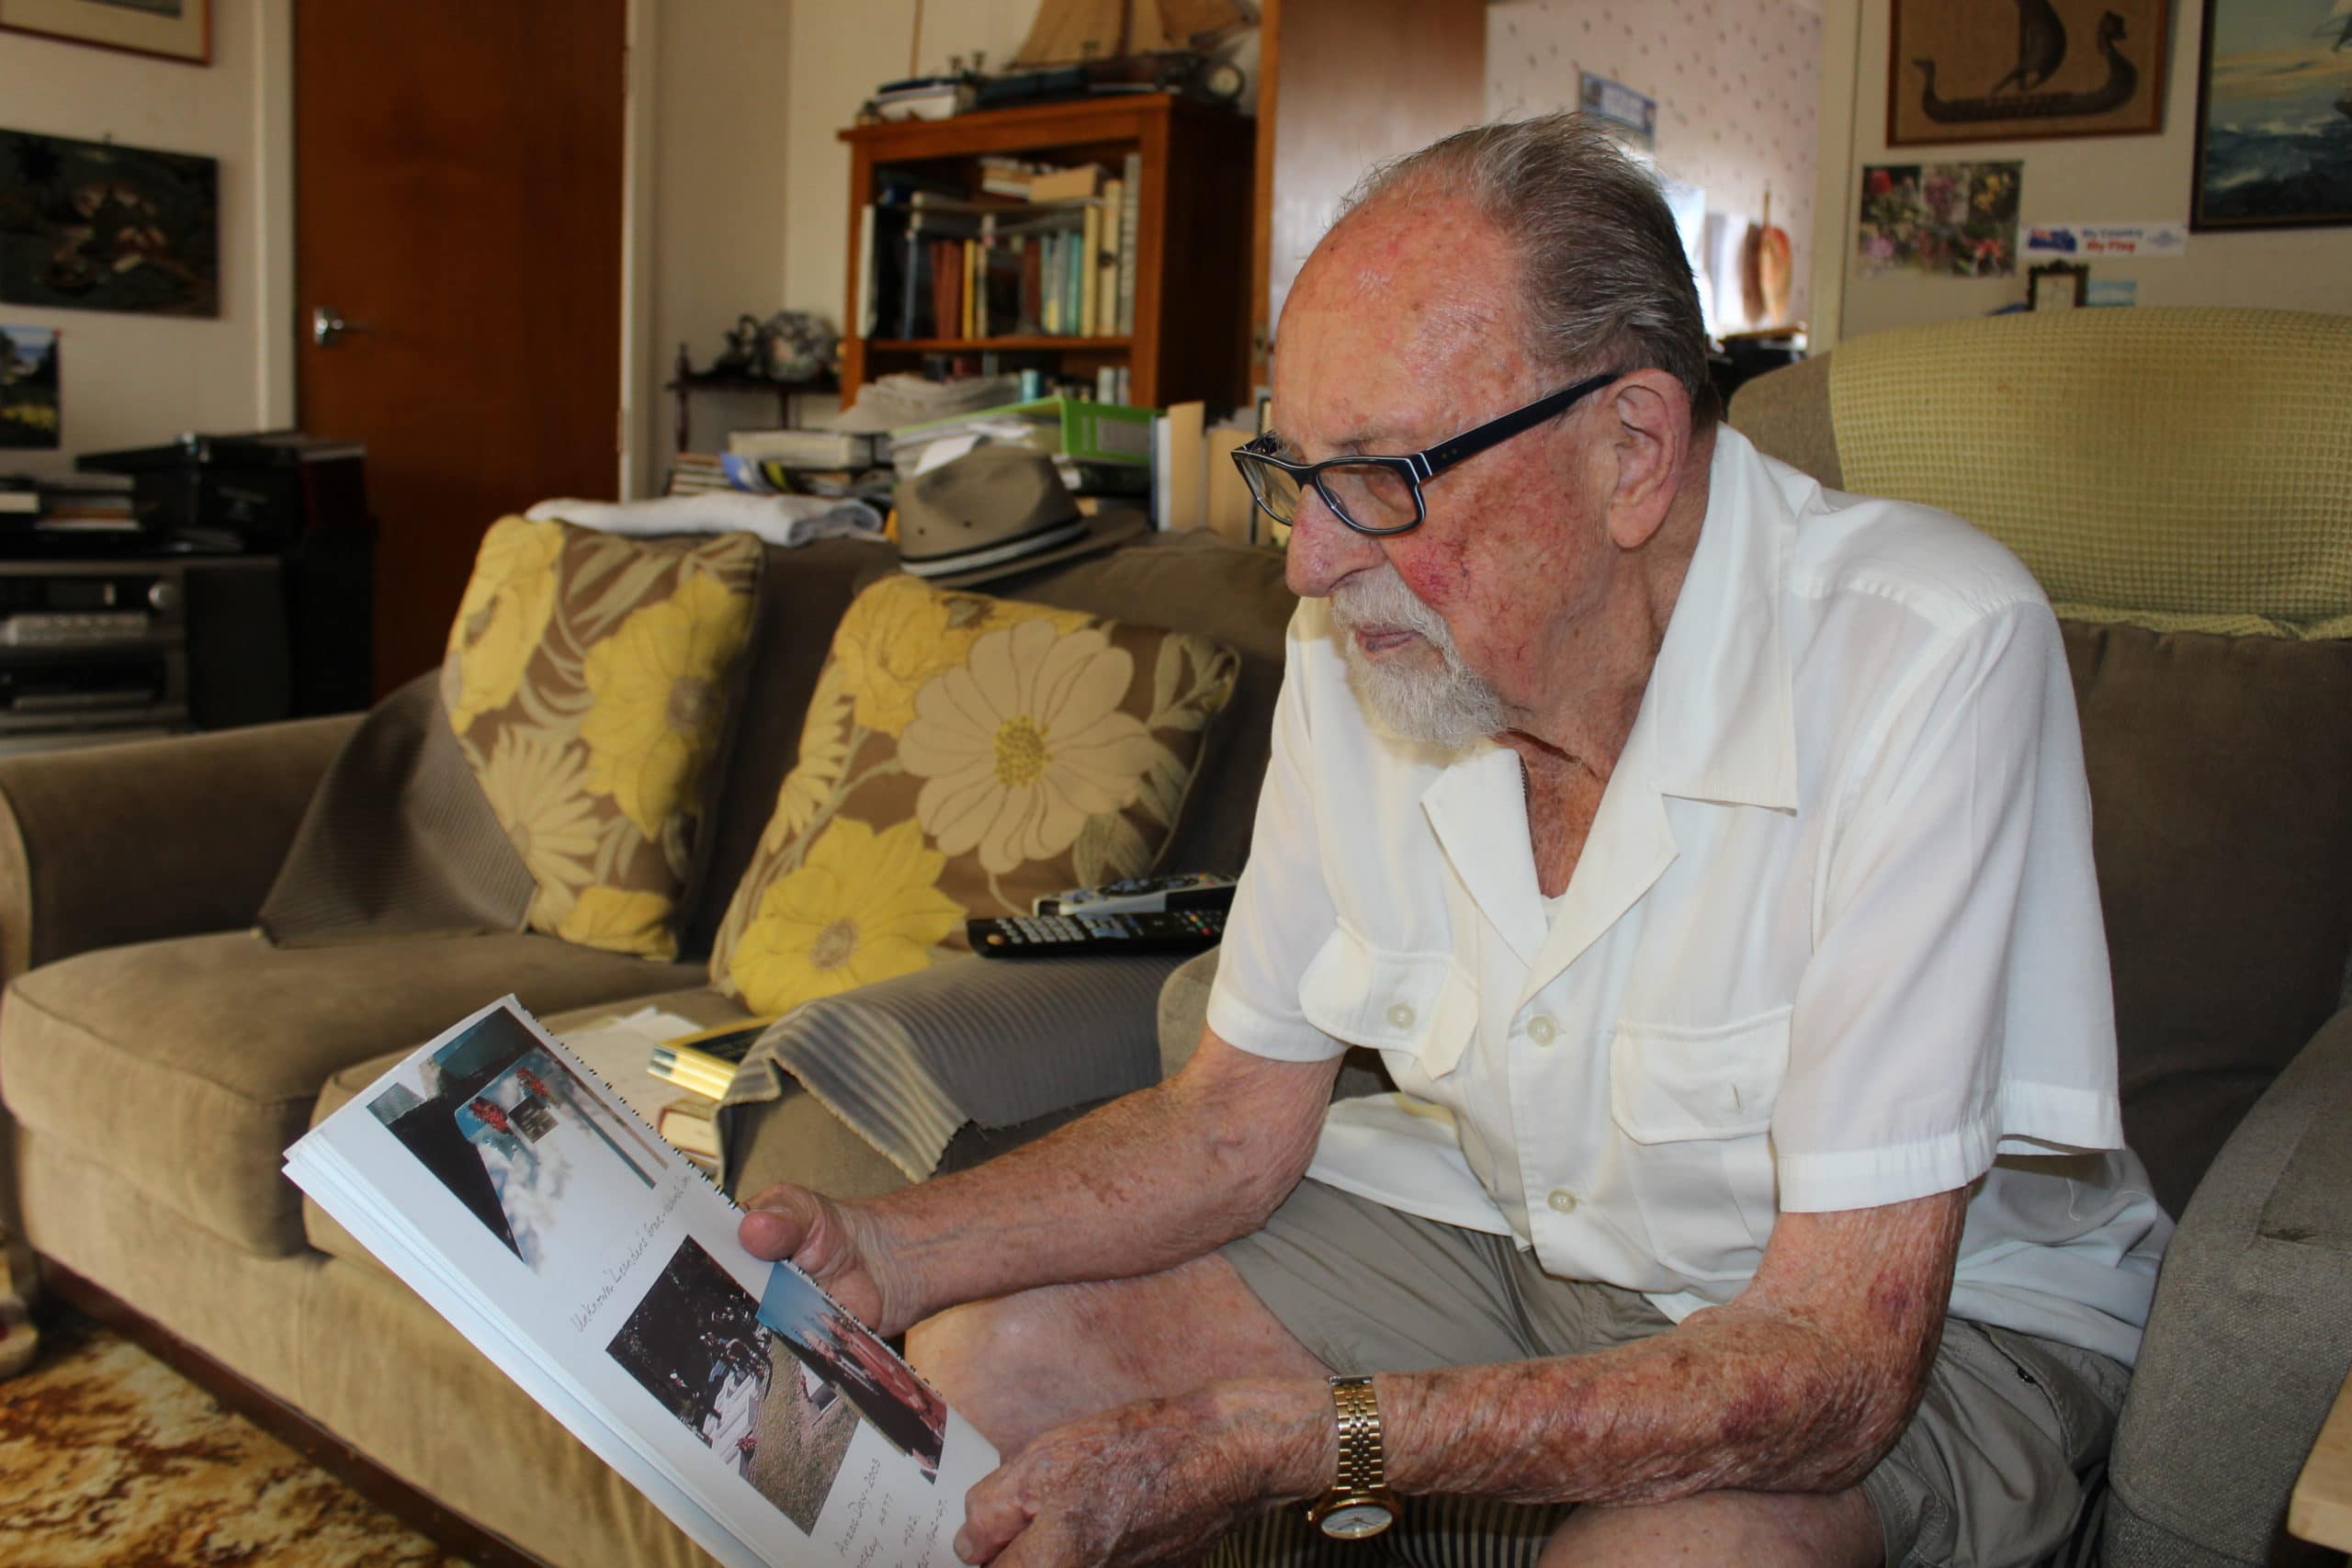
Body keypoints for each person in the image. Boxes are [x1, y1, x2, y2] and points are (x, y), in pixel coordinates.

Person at [739, 113, 2170, 1568]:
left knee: (1687, 1559)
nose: (1306, 558)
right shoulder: (1366, 637)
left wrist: (1276, 1438)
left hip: (1913, 1330)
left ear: (1630, 450)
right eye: (1293, 470)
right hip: (1502, 1229)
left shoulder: (1924, 654)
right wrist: (893, 1246)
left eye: (1379, 476)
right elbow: (1229, 1124)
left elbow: (1832, 1370)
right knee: (987, 1378)